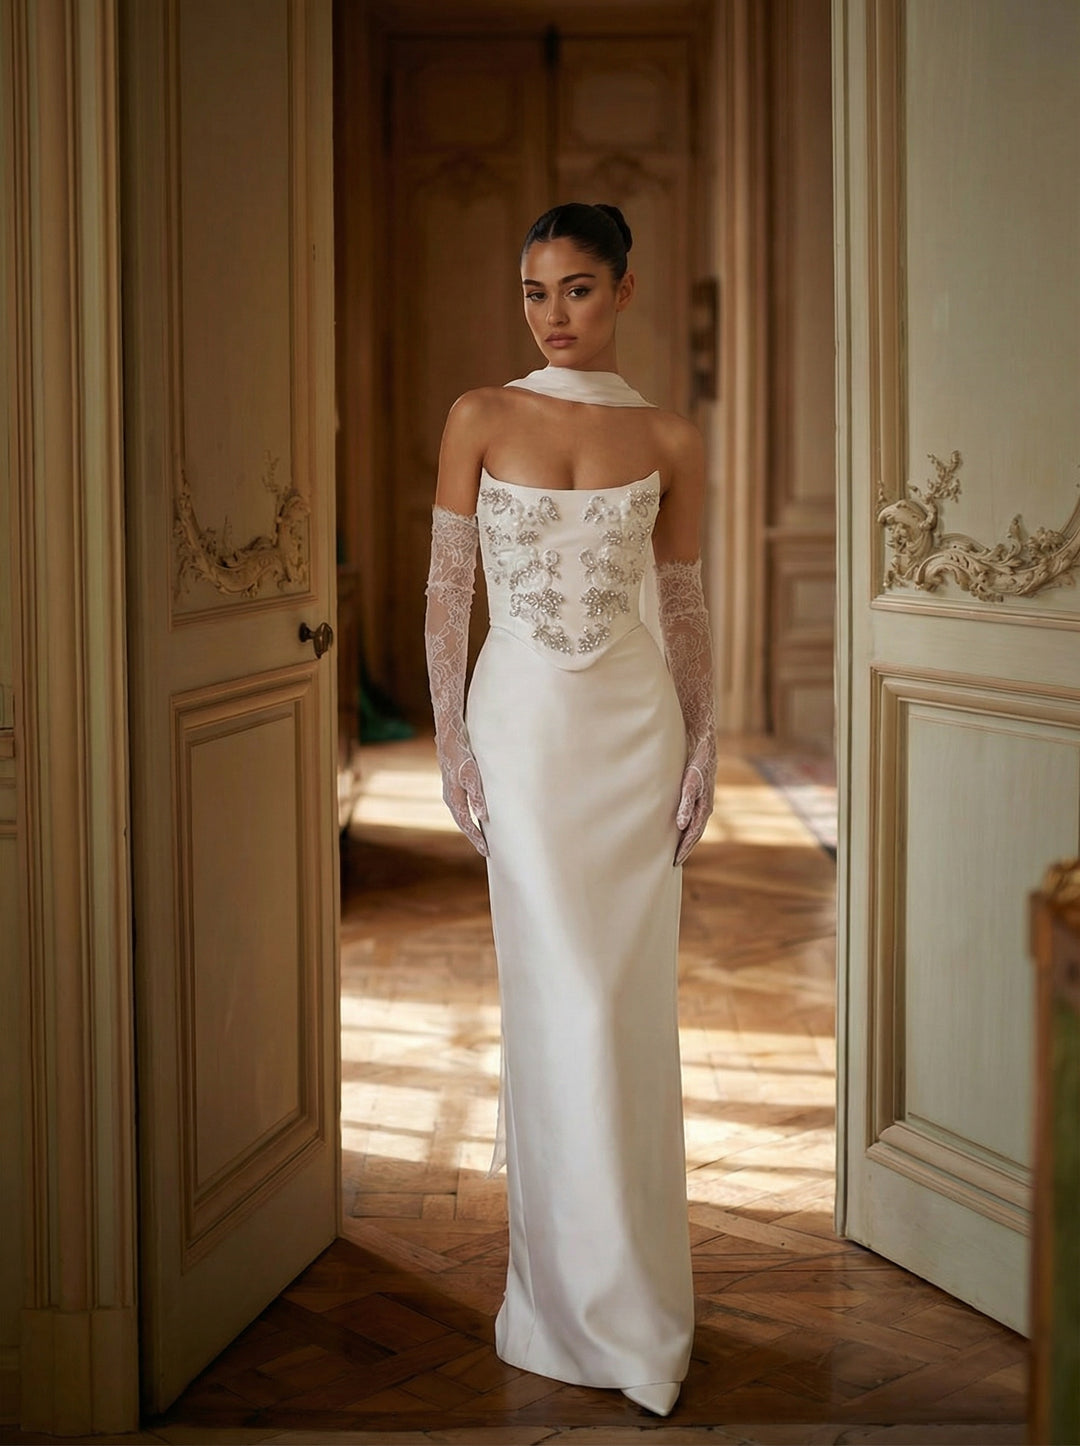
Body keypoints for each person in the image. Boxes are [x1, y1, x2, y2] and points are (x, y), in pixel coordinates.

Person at [423, 201, 716, 1418]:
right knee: (559, 1007)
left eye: (579, 290)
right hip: (526, 739)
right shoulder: (479, 416)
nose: (553, 315)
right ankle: (554, 1303)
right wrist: (448, 738)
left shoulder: (672, 437)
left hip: (634, 740)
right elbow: (449, 595)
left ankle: (639, 1303)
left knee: (625, 1006)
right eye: (537, 292)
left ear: (626, 291)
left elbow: (685, 606)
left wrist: (705, 743)